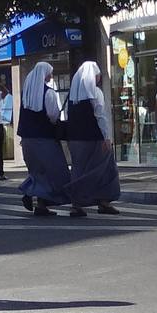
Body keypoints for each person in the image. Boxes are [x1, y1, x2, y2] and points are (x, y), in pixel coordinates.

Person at [64, 61, 121, 218]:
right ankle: (104, 201)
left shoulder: (73, 96)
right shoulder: (95, 93)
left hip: (75, 138)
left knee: (79, 169)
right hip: (94, 138)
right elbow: (100, 116)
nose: (98, 78)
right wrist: (106, 137)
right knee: (106, 168)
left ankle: (76, 204)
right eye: (97, 75)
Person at [16, 62, 71, 217]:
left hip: (28, 140)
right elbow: (53, 116)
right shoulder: (48, 93)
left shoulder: (26, 94)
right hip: (44, 139)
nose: (51, 76)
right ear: (44, 74)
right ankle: (29, 192)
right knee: (56, 171)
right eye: (49, 73)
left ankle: (41, 205)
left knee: (38, 172)